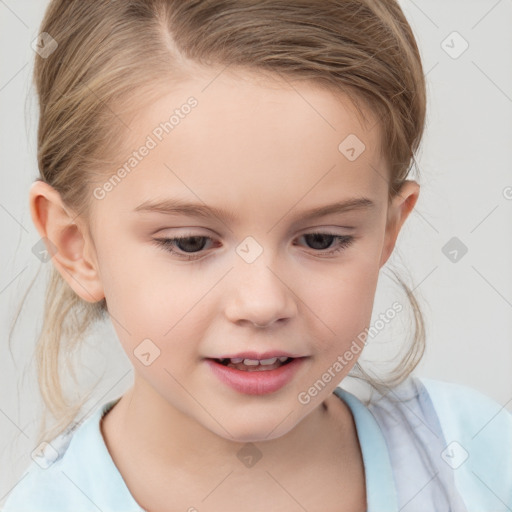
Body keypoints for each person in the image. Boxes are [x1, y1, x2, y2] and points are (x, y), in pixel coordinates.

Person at [2, 1, 511, 511]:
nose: (263, 303)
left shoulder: (480, 457)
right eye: (191, 243)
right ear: (75, 246)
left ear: (387, 229)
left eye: (322, 239)